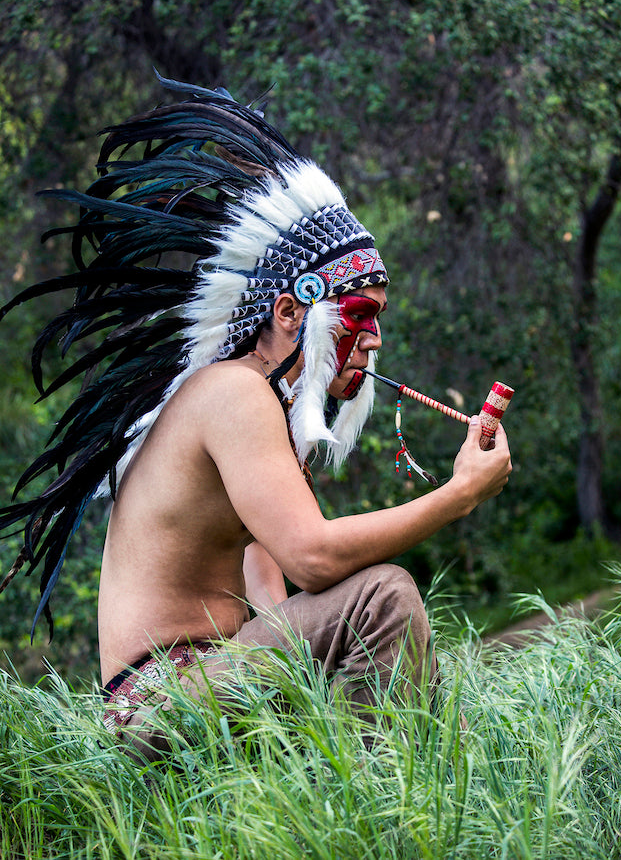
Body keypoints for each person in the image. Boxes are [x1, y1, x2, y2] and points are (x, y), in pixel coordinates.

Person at [0, 75, 511, 760]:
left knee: (379, 653)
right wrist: (457, 496)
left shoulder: (261, 415)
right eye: (360, 315)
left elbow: (277, 601)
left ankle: (374, 793)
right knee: (382, 599)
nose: (375, 340)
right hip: (163, 700)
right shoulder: (233, 393)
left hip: (211, 681)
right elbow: (314, 556)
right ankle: (384, 811)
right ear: (289, 311)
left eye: (379, 321)